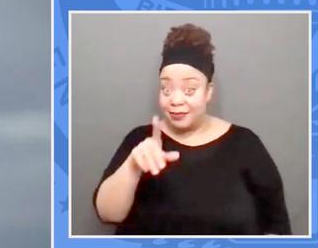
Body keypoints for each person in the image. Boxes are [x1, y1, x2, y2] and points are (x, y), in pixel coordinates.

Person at [93, 23, 290, 236]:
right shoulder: (140, 140)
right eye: (166, 89)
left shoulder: (245, 144)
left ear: (208, 92)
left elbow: (278, 226)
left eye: (190, 89)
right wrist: (132, 166)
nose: (175, 100)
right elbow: (107, 214)